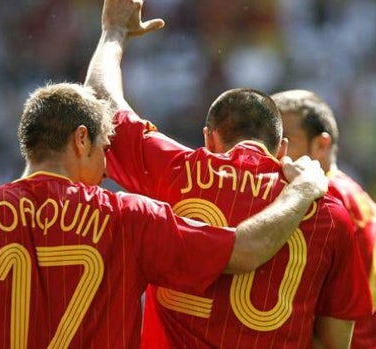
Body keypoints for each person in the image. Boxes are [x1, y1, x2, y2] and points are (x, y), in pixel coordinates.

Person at [0, 82, 328, 348]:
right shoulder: (129, 217)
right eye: (104, 150)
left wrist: (111, 36)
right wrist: (302, 191)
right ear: (81, 140)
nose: (106, 169)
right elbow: (244, 250)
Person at [84, 0, 373, 348]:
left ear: (208, 138)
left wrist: (113, 31)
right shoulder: (329, 213)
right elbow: (333, 343)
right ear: (281, 148)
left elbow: (101, 101)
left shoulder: (177, 171)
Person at [272, 89, 376, 349]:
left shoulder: (324, 197)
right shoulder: (351, 191)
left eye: (285, 140)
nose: (276, 151)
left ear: (321, 145)